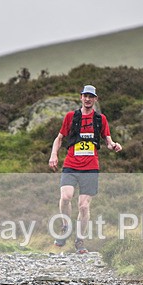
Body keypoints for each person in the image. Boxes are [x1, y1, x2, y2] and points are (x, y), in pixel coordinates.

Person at [49, 84, 122, 253]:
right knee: (66, 196)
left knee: (83, 206)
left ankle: (80, 240)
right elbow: (59, 138)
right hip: (71, 165)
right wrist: (54, 155)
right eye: (85, 96)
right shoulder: (71, 117)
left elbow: (108, 141)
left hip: (90, 168)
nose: (88, 99)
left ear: (95, 99)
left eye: (91, 96)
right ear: (81, 97)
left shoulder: (100, 119)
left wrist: (114, 146)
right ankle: (65, 227)